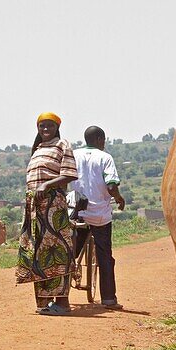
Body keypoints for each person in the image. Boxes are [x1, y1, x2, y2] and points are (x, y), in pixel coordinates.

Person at [15, 113, 78, 315]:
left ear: (56, 127)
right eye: (42, 126)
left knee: (57, 251)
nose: (45, 129)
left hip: (53, 206)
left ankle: (62, 302)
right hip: (35, 208)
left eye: (49, 126)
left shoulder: (62, 145)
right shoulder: (38, 149)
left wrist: (47, 184)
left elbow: (69, 174)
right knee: (37, 254)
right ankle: (43, 301)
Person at [69, 125, 126, 309]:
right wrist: (118, 198)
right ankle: (109, 299)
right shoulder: (105, 157)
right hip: (99, 215)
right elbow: (111, 185)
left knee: (70, 253)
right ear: (101, 140)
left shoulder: (73, 155)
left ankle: (61, 294)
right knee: (105, 256)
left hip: (77, 211)